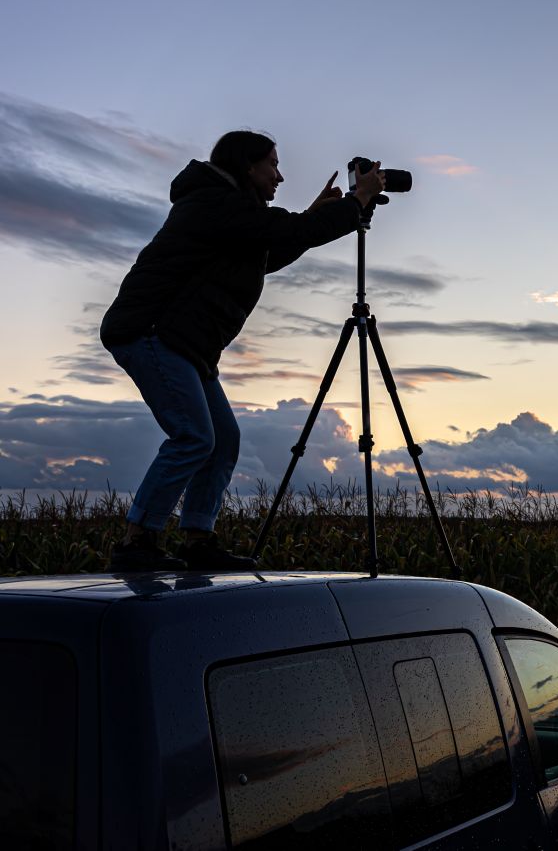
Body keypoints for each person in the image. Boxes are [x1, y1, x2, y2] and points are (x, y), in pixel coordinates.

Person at [99, 130, 386, 570]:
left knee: (222, 440)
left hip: (187, 343)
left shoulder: (234, 213)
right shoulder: (213, 203)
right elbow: (278, 232)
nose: (280, 175)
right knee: (194, 436)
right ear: (246, 166)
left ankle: (197, 541)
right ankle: (136, 543)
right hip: (152, 332)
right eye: (272, 164)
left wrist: (316, 216)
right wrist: (355, 204)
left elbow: (267, 252)